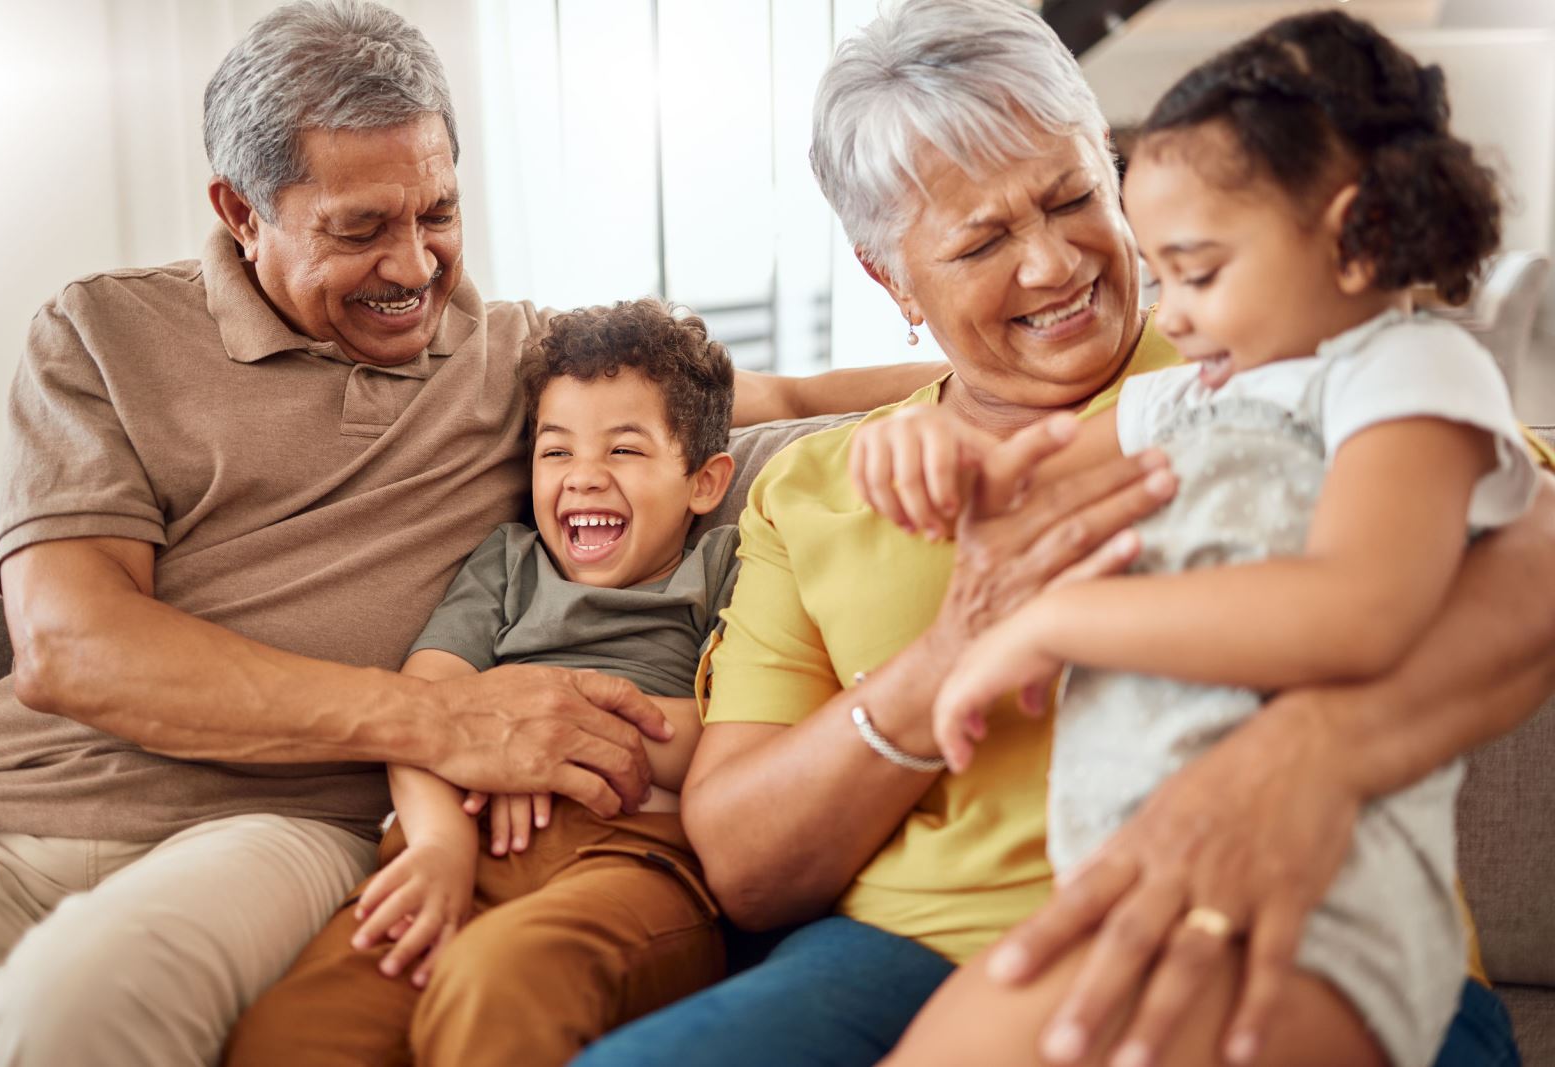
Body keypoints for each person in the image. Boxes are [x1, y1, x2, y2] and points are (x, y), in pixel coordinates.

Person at [0, 4, 945, 1064]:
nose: (415, 265)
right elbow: (71, 647)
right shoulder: (99, 332)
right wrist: (441, 719)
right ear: (241, 210)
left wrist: (1073, 370)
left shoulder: (513, 355)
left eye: (439, 211)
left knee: (71, 1014)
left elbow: (784, 394)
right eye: (359, 227)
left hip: (262, 826)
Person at [575, 2, 1555, 1066]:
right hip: (903, 949)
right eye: (984, 239)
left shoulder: (1271, 359)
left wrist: (1310, 750)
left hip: (1283, 906)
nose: (1050, 265)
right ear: (888, 275)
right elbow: (746, 859)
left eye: (1073, 196)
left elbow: (1532, 550)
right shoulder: (824, 483)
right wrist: (952, 648)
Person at [889, 12, 1532, 1067]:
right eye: (1159, 273)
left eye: (1195, 270)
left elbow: (1356, 610)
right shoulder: (1186, 392)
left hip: (1322, 903)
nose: (1170, 316)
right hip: (1140, 872)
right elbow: (1010, 486)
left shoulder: (1407, 373)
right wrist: (923, 454)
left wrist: (1062, 619)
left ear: (1354, 234)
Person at [225, 299, 739, 1065]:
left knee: (502, 982)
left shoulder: (727, 562)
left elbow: (743, 739)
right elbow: (422, 704)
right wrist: (435, 844)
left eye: (624, 451)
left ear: (703, 481)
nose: (584, 478)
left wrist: (556, 726)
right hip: (459, 841)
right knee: (293, 1034)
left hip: (633, 853)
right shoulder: (508, 562)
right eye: (555, 452)